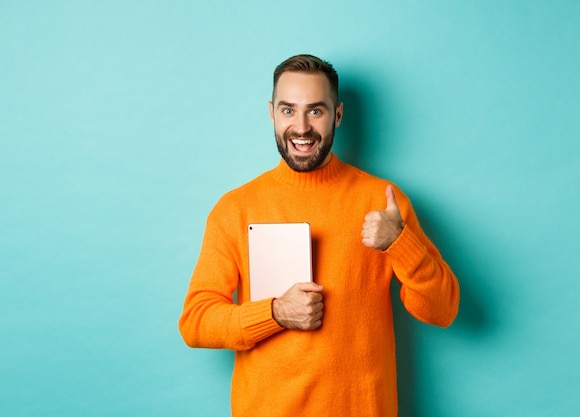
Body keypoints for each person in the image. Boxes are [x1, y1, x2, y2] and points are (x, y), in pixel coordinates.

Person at [179, 54, 460, 417]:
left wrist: (400, 243)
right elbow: (196, 322)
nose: (300, 127)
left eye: (315, 111)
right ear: (271, 114)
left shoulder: (383, 201)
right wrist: (277, 312)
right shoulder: (235, 208)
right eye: (288, 110)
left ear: (338, 115)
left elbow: (442, 311)